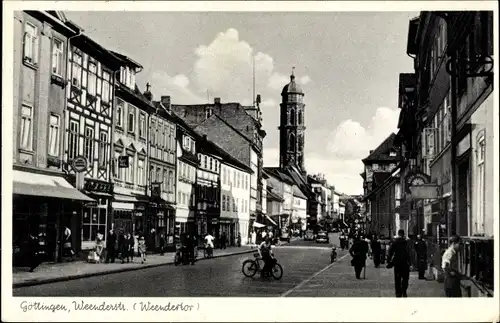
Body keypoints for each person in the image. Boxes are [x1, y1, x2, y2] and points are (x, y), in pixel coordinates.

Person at [387, 229, 411, 297]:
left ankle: (398, 293)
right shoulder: (407, 243)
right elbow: (409, 253)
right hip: (405, 263)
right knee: (405, 278)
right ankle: (404, 291)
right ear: (403, 234)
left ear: (398, 234)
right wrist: (410, 263)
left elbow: (390, 252)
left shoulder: (394, 242)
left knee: (397, 279)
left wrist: (389, 261)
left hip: (397, 263)